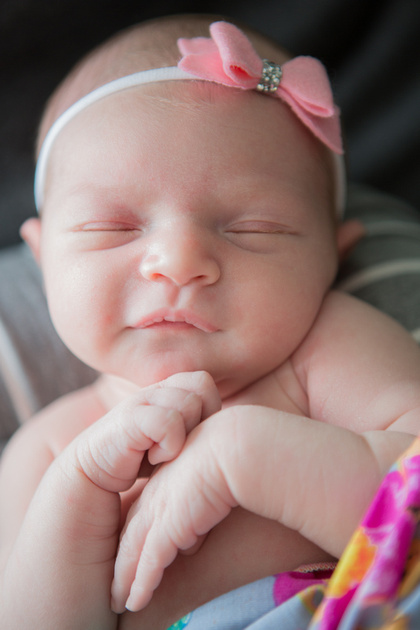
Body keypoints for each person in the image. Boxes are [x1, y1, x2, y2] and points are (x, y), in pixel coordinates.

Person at [1, 13, 420, 630]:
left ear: (334, 254)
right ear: (42, 259)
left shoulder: (325, 351)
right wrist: (75, 497)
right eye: (112, 227)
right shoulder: (48, 450)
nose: (179, 262)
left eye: (253, 229)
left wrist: (248, 457)